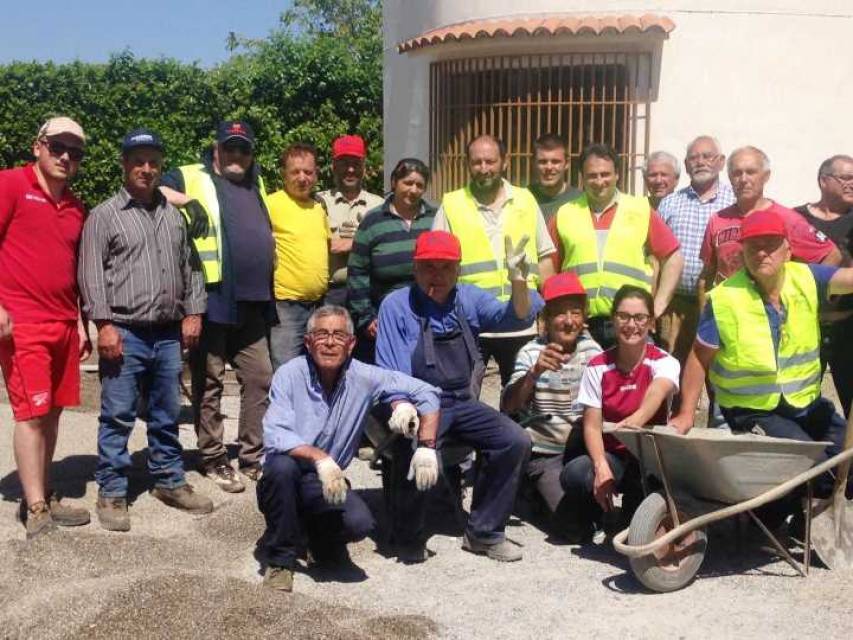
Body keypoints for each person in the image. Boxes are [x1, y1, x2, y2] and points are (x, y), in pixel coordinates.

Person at [376, 230, 543, 563]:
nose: (436, 275)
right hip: (416, 405)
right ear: (415, 269)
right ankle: (407, 535)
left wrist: (519, 281)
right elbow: (389, 368)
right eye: (428, 267)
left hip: (461, 402)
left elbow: (518, 315)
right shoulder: (395, 306)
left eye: (445, 267)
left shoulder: (468, 298)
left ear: (458, 271)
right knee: (416, 451)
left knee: (514, 440)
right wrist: (402, 405)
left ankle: (484, 532)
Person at [79, 128, 213, 531]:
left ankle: (169, 481)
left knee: (166, 413)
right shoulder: (104, 215)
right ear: (124, 165)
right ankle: (113, 490)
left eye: (154, 161)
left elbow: (191, 267)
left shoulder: (174, 216)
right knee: (118, 415)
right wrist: (103, 325)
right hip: (124, 330)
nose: (147, 168)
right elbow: (91, 275)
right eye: (138, 161)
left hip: (168, 333)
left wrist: (194, 313)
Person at [670, 210, 853, 501]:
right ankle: (792, 515)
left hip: (805, 405)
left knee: (848, 459)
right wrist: (685, 414)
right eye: (754, 246)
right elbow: (698, 357)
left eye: (771, 244)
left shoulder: (807, 278)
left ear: (788, 250)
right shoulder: (725, 298)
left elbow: (849, 279)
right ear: (742, 253)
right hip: (751, 410)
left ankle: (806, 517)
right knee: (813, 469)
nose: (762, 252)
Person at [257, 305, 441, 592]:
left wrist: (426, 444)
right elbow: (275, 434)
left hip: (325, 480)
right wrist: (320, 458)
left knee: (359, 523)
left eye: (339, 335)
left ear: (352, 344)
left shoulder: (364, 376)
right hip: (289, 471)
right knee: (281, 468)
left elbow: (427, 391)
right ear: (308, 342)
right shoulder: (289, 374)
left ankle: (311, 536)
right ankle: (281, 559)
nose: (330, 342)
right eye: (321, 334)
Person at [160, 120, 275, 494]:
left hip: (254, 301)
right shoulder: (192, 176)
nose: (237, 155)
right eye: (230, 148)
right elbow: (152, 185)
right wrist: (184, 201)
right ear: (216, 150)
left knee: (259, 378)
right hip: (213, 299)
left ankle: (251, 456)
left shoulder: (256, 181)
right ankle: (212, 457)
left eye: (243, 149)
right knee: (208, 382)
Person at [0, 117, 92, 538]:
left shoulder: (76, 207)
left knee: (53, 413)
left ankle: (46, 490)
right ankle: (34, 506)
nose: (65, 157)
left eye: (74, 152)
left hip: (64, 326)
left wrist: (81, 324)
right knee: (31, 413)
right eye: (58, 147)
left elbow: (71, 272)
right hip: (24, 325)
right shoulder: (10, 185)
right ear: (38, 146)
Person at [433, 134, 556, 386]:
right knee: (463, 401)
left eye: (490, 161)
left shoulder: (525, 200)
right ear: (467, 164)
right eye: (477, 162)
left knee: (520, 403)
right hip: (469, 323)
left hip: (521, 322)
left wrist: (549, 312)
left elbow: (544, 259)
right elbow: (435, 267)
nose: (484, 168)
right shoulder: (452, 204)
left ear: (504, 162)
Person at [560, 285, 680, 541]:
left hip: (649, 459)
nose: (631, 325)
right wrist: (601, 465)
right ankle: (596, 513)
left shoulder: (665, 362)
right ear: (613, 320)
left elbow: (656, 393)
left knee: (637, 529)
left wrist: (632, 422)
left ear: (651, 323)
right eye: (624, 316)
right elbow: (591, 425)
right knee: (577, 474)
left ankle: (624, 516)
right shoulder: (597, 367)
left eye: (639, 318)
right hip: (613, 454)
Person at [549, 143, 684, 349]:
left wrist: (656, 307)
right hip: (579, 325)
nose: (599, 181)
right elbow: (548, 267)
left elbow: (673, 258)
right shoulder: (565, 213)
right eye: (592, 176)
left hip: (629, 323)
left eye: (605, 174)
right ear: (582, 178)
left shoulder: (640, 210)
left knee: (631, 381)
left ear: (617, 175)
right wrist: (554, 312)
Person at [502, 272, 602, 537]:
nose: (569, 321)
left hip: (580, 450)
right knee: (573, 529)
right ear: (546, 318)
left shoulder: (593, 352)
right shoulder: (531, 352)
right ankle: (525, 492)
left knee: (600, 517)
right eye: (560, 314)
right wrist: (533, 374)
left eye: (576, 313)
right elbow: (509, 405)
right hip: (545, 453)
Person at [699, 146, 840, 298]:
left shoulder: (787, 218)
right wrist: (703, 315)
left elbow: (832, 255)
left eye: (751, 172)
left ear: (766, 176)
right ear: (730, 177)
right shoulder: (718, 220)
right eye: (737, 173)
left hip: (771, 313)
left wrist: (803, 296)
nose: (744, 179)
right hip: (728, 311)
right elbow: (706, 275)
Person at [347, 158, 437, 363]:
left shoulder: (435, 219)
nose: (413, 190)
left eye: (419, 185)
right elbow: (357, 271)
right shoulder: (373, 221)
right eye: (408, 183)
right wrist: (366, 317)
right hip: (383, 318)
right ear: (394, 182)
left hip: (427, 316)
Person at [658, 136, 735, 366]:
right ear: (686, 164)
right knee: (672, 366)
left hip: (720, 304)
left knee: (719, 370)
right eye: (694, 157)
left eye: (707, 156)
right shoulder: (670, 203)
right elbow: (656, 254)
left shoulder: (735, 200)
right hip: (677, 306)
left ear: (721, 162)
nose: (700, 162)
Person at [794, 154, 853, 417]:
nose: (851, 184)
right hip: (804, 328)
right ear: (823, 180)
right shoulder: (795, 219)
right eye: (845, 178)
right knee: (798, 403)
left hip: (848, 328)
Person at [267, 143, 330, 369]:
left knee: (318, 370)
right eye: (295, 171)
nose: (302, 177)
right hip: (286, 307)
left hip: (319, 305)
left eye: (308, 172)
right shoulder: (271, 204)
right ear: (284, 174)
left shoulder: (318, 208)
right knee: (286, 370)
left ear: (316, 175)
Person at [317, 135, 384, 307]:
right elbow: (313, 244)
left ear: (364, 166)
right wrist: (364, 243)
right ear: (334, 166)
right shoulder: (318, 202)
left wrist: (352, 243)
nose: (350, 170)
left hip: (368, 292)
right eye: (344, 163)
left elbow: (383, 247)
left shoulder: (379, 205)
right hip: (330, 294)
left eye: (356, 164)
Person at [527, 133, 582, 221]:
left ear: (567, 163)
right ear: (533, 163)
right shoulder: (523, 198)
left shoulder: (580, 201)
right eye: (543, 162)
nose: (549, 167)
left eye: (555, 162)